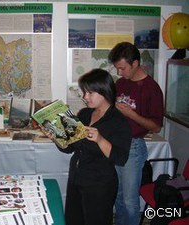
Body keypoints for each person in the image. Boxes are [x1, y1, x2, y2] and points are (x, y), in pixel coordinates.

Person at [49, 68, 132, 225]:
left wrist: (100, 139)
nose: (85, 97)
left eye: (90, 93)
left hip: (99, 184)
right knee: (74, 220)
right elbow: (70, 148)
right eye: (84, 92)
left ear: (105, 92)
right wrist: (56, 136)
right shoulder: (85, 114)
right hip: (76, 178)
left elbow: (121, 158)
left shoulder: (118, 121)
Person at [108, 42, 164, 225]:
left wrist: (131, 114)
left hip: (133, 147)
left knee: (130, 202)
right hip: (116, 144)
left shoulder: (152, 88)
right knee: (117, 196)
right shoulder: (121, 83)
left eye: (122, 68)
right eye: (117, 68)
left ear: (135, 63)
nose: (119, 73)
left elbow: (156, 127)